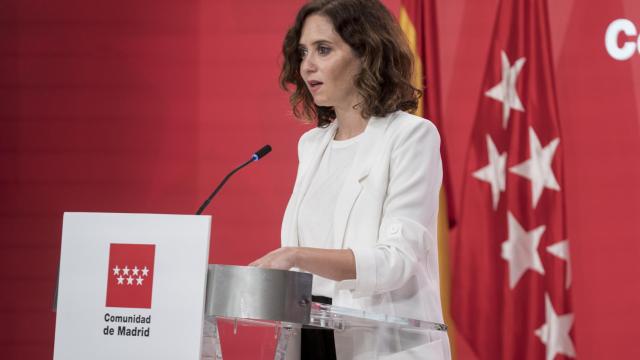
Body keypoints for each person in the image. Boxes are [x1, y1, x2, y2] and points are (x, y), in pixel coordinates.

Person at [250, 0, 451, 359]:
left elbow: (395, 261)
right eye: (303, 52)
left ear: (366, 54)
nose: (308, 65)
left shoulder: (411, 137)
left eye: (323, 50)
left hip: (380, 347)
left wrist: (296, 255)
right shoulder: (312, 145)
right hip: (310, 340)